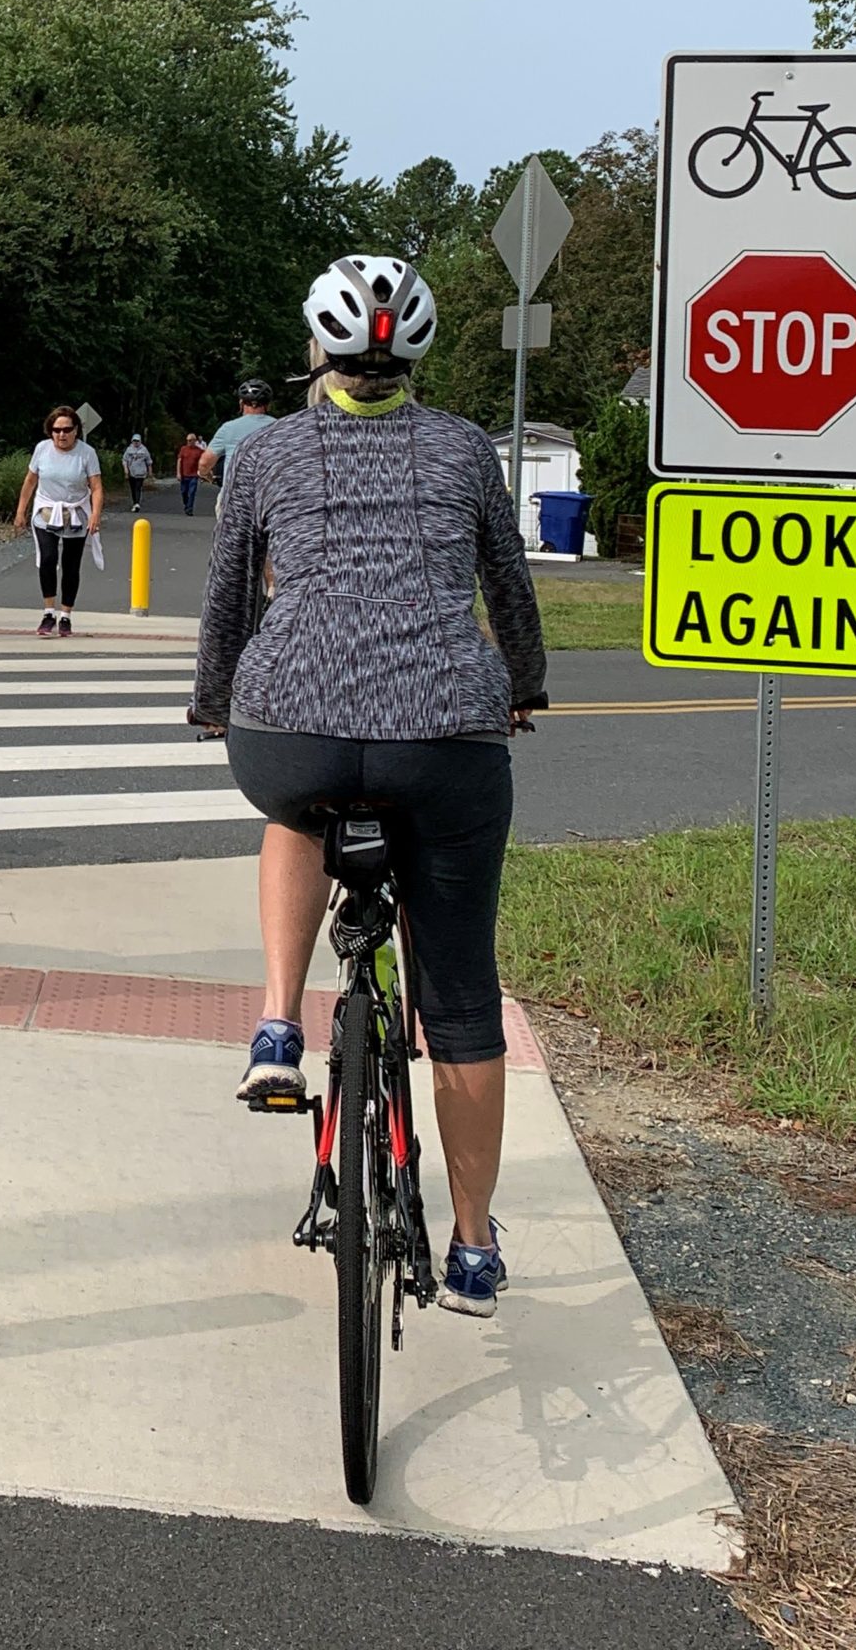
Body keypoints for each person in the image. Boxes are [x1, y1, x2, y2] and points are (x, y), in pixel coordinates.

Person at [192, 255, 547, 1319]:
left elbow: (224, 602)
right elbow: (508, 585)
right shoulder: (463, 448)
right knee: (463, 999)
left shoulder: (267, 453)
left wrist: (217, 700)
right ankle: (474, 1246)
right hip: (445, 736)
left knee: (291, 805)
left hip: (291, 727)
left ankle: (274, 1024)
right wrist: (522, 683)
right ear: (418, 353)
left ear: (319, 351)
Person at [13, 407, 104, 636]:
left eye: (66, 430)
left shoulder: (86, 453)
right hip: (46, 510)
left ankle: (66, 614)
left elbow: (96, 487)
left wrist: (95, 514)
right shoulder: (42, 450)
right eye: (56, 430)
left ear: (76, 431)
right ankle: (48, 611)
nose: (61, 435)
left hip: (75, 512)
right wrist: (21, 511)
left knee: (71, 565)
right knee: (48, 558)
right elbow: (30, 481)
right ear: (50, 431)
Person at [200, 379, 278, 513]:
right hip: (269, 498)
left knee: (228, 531)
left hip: (235, 498)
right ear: (268, 405)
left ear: (241, 403)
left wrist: (205, 474)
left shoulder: (228, 428)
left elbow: (204, 462)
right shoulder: (280, 427)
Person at [122, 432, 154, 511]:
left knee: (138, 488)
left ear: (140, 441)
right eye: (134, 441)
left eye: (137, 441)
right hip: (131, 472)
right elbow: (124, 460)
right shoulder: (129, 449)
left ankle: (137, 503)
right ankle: (134, 502)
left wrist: (150, 472)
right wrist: (126, 470)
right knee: (132, 488)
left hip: (140, 473)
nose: (136, 442)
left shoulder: (144, 450)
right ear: (132, 441)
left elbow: (148, 461)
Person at [177, 433, 205, 516]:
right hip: (184, 475)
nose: (188, 442)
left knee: (192, 492)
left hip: (194, 475)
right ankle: (186, 504)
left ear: (194, 441)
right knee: (184, 492)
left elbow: (202, 462)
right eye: (187, 440)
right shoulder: (183, 449)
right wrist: (178, 473)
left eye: (190, 440)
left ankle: (189, 509)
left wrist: (202, 474)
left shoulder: (199, 451)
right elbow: (179, 460)